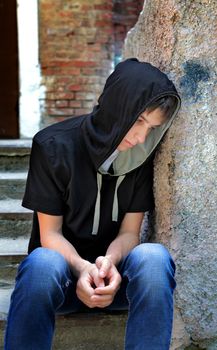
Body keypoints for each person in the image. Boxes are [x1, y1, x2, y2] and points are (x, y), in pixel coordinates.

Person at [4, 58, 181, 350]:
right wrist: (82, 268)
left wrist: (108, 264)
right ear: (116, 107)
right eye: (138, 121)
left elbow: (129, 234)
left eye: (152, 128)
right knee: (41, 262)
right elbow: (50, 236)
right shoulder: (52, 146)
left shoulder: (139, 158)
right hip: (59, 283)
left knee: (154, 257)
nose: (140, 138)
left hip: (115, 282)